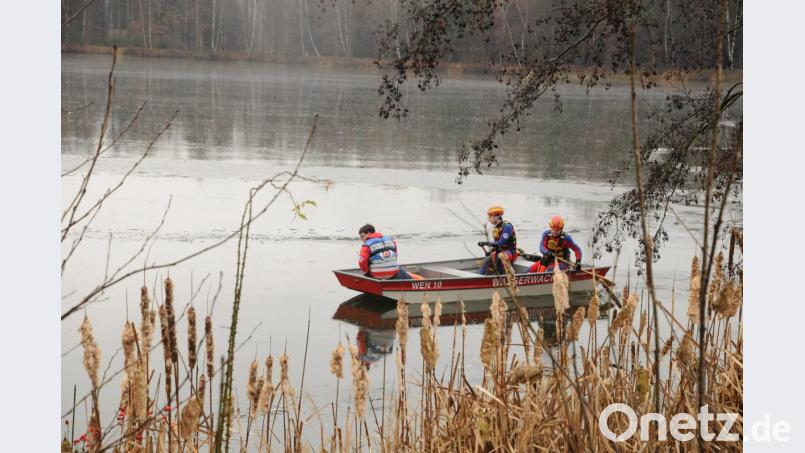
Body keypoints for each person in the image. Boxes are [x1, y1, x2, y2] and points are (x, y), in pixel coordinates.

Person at [477, 205, 518, 275]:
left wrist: (485, 243)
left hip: (510, 252)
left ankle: (502, 277)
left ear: (497, 216)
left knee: (501, 258)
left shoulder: (507, 227)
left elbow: (500, 243)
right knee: (485, 262)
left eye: (490, 217)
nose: (489, 219)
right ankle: (479, 278)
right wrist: (491, 251)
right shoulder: (496, 228)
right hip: (499, 251)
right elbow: (496, 244)